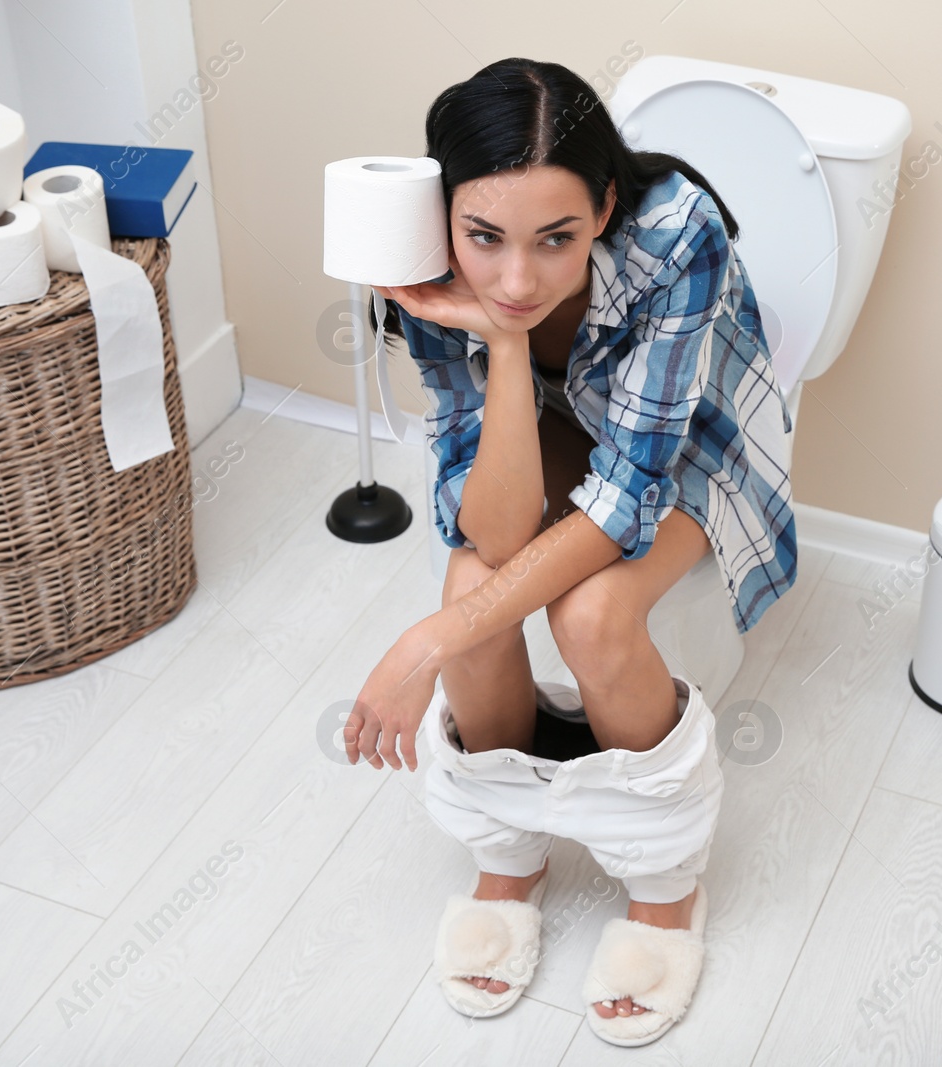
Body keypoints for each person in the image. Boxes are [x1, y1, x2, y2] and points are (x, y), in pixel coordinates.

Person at [341, 56, 797, 1045]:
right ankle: (509, 857)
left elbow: (630, 495)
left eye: (556, 238)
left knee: (589, 611)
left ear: (601, 205)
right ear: (447, 215)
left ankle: (667, 882)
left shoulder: (679, 237)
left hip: (691, 445)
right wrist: (505, 346)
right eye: (484, 238)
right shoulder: (428, 267)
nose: (515, 277)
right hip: (546, 422)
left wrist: (422, 644)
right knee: (474, 573)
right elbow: (495, 530)